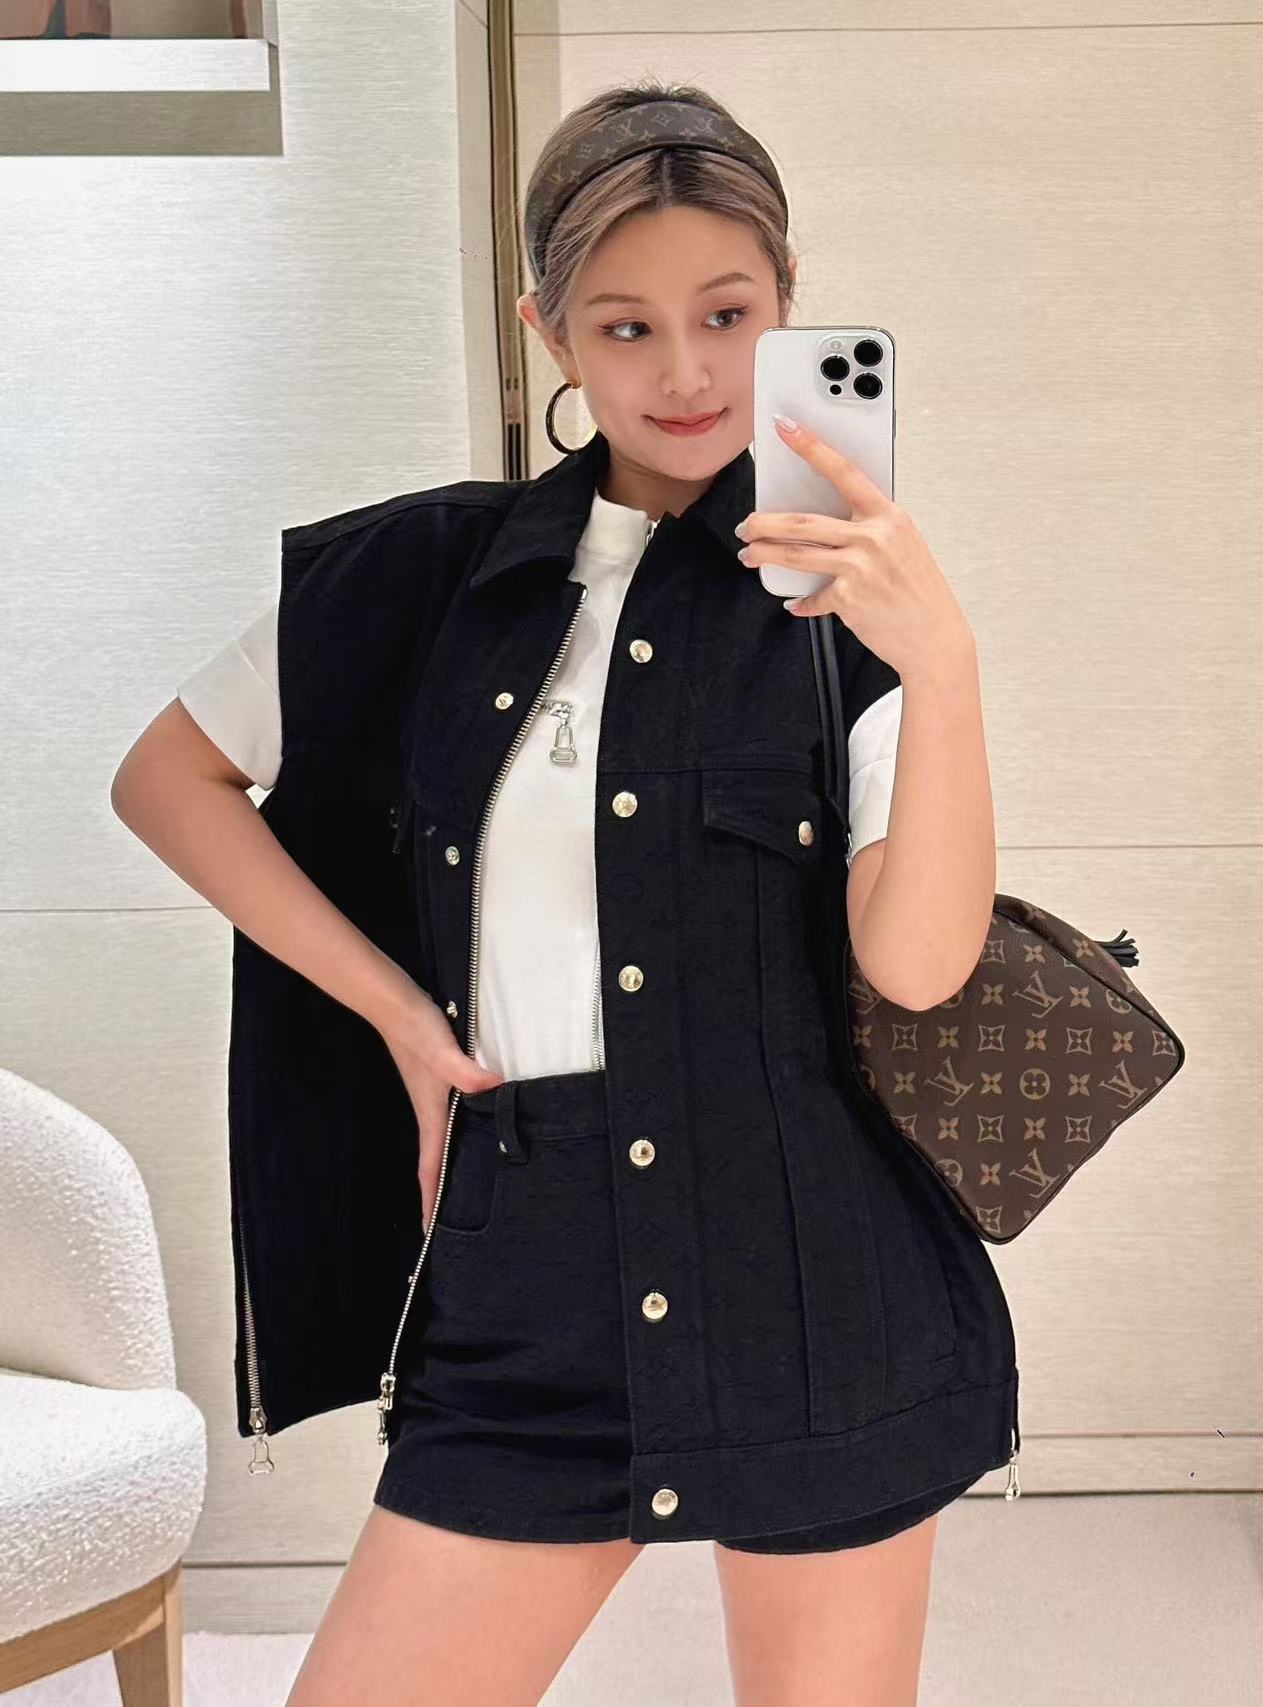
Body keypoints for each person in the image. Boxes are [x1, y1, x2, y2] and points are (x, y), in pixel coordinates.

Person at [113, 78, 1018, 1707]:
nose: (685, 373)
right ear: (548, 335)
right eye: (625, 327)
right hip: (527, 1268)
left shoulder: (847, 601)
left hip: (810, 1269)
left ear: (789, 305)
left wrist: (942, 665)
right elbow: (168, 781)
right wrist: (399, 1013)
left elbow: (921, 963)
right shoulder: (420, 577)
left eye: (727, 315)